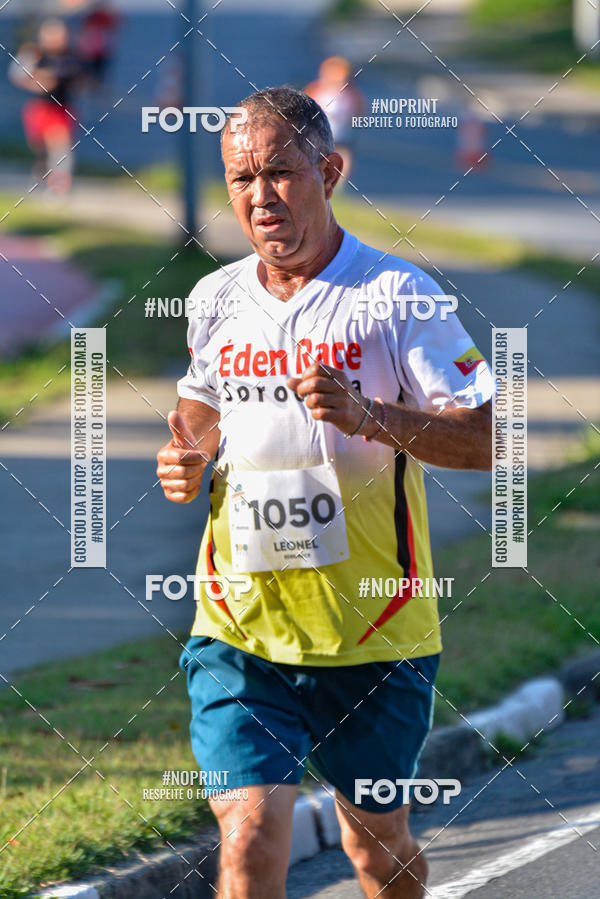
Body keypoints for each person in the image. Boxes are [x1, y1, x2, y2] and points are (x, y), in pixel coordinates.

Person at [156, 86, 494, 898]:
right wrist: (182, 464)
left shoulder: (397, 294)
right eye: (242, 178)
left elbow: (491, 437)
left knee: (375, 846)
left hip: (373, 631)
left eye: (280, 172)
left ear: (330, 172)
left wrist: (371, 415)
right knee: (248, 839)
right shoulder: (215, 299)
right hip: (239, 626)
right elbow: (195, 425)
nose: (261, 196)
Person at [9, 18, 84, 194]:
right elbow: (17, 75)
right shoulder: (35, 55)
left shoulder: (71, 56)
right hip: (41, 108)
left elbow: (80, 79)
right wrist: (38, 81)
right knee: (42, 148)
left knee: (60, 145)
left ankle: (59, 186)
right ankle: (43, 174)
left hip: (62, 108)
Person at [305, 56, 366, 184]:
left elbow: (360, 110)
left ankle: (339, 183)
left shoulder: (351, 94)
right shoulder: (317, 89)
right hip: (319, 131)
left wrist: (351, 122)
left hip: (341, 131)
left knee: (343, 155)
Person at [76, 1, 120, 90]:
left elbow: (113, 27)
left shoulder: (102, 16)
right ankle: (92, 83)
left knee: (97, 68)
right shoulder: (93, 16)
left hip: (99, 48)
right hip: (94, 48)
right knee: (91, 67)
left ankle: (95, 83)